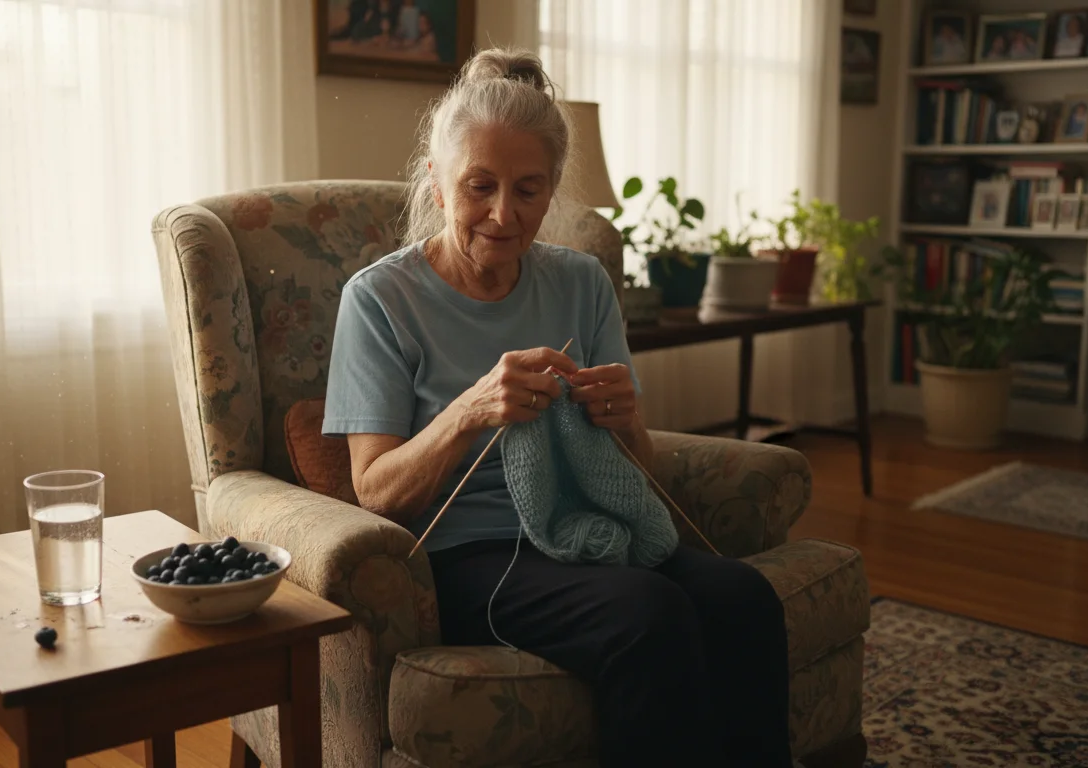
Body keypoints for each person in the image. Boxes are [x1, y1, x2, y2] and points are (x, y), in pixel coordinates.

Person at [322, 48, 793, 768]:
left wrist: (626, 418)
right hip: (468, 556)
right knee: (648, 614)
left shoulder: (581, 283)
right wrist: (470, 410)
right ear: (439, 186)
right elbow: (374, 488)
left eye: (529, 190)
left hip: (587, 527)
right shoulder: (380, 299)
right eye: (479, 186)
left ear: (553, 192)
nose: (504, 215)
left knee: (744, 598)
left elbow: (639, 465)